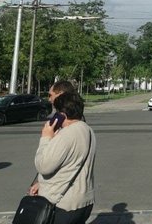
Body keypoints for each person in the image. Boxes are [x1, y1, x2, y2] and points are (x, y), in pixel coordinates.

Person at [29, 91, 96, 224]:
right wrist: (41, 183)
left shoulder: (66, 135)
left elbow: (43, 165)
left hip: (63, 205)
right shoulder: (87, 130)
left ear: (61, 114)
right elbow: (69, 166)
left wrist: (46, 137)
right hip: (84, 201)